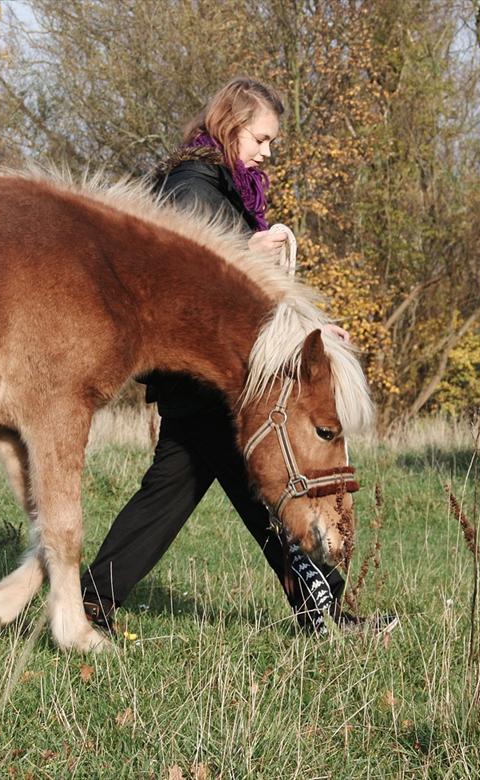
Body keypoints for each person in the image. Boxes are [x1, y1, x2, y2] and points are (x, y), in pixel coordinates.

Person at [80, 77, 396, 638]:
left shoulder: (221, 187)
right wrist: (245, 249)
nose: (267, 150)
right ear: (231, 124)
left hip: (217, 370)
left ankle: (93, 603)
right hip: (200, 371)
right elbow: (184, 276)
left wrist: (314, 329)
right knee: (209, 484)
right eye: (261, 137)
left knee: (232, 486)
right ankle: (90, 604)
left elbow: (252, 296)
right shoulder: (191, 185)